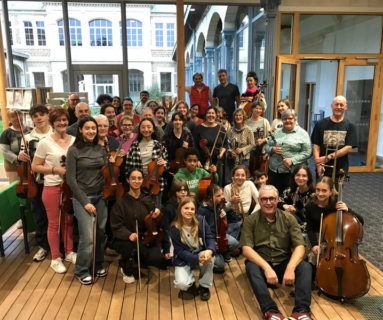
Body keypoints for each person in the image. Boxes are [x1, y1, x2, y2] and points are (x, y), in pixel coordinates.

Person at [240, 185, 313, 320]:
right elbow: (246, 249)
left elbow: (300, 246)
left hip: (283, 262)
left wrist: (291, 268)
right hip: (262, 263)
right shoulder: (250, 220)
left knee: (305, 267)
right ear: (259, 200)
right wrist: (267, 268)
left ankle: (302, 311)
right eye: (264, 199)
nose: (268, 202)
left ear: (277, 199)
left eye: (272, 199)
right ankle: (271, 312)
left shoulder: (289, 218)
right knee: (251, 266)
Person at [66, 116, 110, 284]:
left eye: (94, 128)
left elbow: (103, 173)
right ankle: (81, 270)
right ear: (80, 130)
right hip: (82, 198)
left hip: (100, 197)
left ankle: (97, 264)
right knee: (88, 238)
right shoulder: (73, 150)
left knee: (100, 234)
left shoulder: (101, 149)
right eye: (88, 128)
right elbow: (71, 179)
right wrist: (85, 202)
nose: (92, 131)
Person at [32, 107, 76, 274]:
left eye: (64, 119)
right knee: (54, 224)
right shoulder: (45, 142)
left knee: (68, 221)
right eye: (58, 120)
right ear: (53, 123)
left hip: (70, 187)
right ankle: (56, 257)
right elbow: (35, 166)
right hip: (52, 187)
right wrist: (55, 170)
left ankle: (70, 252)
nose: (62, 123)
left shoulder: (73, 140)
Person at [110, 168, 167, 284]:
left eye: (139, 178)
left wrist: (157, 211)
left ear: (143, 180)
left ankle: (135, 258)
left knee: (155, 258)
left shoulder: (147, 198)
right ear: (128, 180)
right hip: (127, 239)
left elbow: (155, 213)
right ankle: (126, 267)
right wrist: (128, 234)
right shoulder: (120, 202)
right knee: (129, 248)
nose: (136, 181)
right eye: (133, 178)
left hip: (144, 237)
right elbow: (116, 226)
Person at [17, 105, 53, 262]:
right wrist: (21, 156)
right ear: (32, 119)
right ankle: (44, 246)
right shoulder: (27, 137)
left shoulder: (56, 134)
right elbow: (22, 158)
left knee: (57, 215)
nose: (39, 118)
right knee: (39, 214)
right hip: (35, 181)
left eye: (42, 114)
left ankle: (59, 245)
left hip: (54, 180)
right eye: (35, 115)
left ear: (47, 116)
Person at [305, 176, 364, 268]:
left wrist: (348, 210)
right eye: (318, 190)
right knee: (312, 260)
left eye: (324, 190)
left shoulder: (336, 205)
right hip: (316, 238)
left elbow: (361, 221)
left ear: (331, 191)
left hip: (334, 239)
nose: (320, 193)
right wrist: (314, 245)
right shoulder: (310, 206)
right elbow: (310, 228)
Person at [167, 197, 216, 301]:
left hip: (199, 252)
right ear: (180, 209)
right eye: (186, 208)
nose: (189, 211)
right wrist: (197, 259)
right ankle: (190, 280)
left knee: (210, 258)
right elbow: (180, 251)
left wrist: (210, 250)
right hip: (183, 259)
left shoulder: (201, 221)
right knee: (182, 284)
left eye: (192, 209)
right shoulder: (173, 229)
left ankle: (204, 286)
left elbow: (209, 237)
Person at [265, 109, 312, 195]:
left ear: (295, 119)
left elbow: (307, 152)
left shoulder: (303, 134)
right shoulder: (276, 132)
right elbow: (267, 147)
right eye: (285, 119)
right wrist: (272, 149)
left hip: (292, 171)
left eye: (290, 118)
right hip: (275, 170)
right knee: (275, 194)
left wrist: (292, 160)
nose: (287, 121)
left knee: (291, 194)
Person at [311, 95, 358, 179]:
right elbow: (316, 146)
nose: (338, 107)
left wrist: (328, 157)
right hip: (322, 166)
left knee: (337, 191)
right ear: (331, 106)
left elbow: (348, 148)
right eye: (336, 104)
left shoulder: (350, 126)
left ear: (346, 107)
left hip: (340, 168)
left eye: (341, 105)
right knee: (321, 191)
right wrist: (318, 165)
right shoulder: (320, 123)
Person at [126, 118, 169, 208]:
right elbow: (128, 166)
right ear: (140, 130)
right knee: (139, 207)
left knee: (155, 209)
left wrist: (163, 163)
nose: (146, 130)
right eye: (143, 127)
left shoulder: (159, 146)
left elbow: (167, 166)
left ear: (153, 129)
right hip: (138, 180)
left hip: (155, 181)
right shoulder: (134, 146)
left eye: (149, 127)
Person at [197, 184, 238, 273]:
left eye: (222, 194)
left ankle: (222, 254)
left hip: (219, 234)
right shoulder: (202, 210)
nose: (222, 197)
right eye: (218, 196)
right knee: (220, 267)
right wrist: (210, 243)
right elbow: (201, 232)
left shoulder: (220, 205)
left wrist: (223, 217)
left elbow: (224, 224)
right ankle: (213, 256)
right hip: (208, 238)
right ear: (210, 197)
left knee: (234, 243)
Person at [223, 165, 260, 240]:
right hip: (232, 217)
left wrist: (250, 217)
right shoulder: (227, 188)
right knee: (229, 241)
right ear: (233, 176)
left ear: (246, 177)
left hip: (247, 216)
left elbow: (260, 202)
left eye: (243, 175)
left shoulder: (250, 184)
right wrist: (231, 201)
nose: (240, 177)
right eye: (237, 175)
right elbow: (224, 209)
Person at [0, 109, 32, 183]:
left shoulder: (30, 130)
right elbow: (5, 151)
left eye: (19, 115)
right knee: (16, 190)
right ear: (9, 119)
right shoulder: (6, 133)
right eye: (13, 116)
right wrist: (17, 158)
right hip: (14, 169)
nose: (17, 118)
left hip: (30, 167)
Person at [192, 106, 227, 171]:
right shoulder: (198, 128)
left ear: (216, 115)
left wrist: (222, 152)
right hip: (201, 163)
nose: (211, 115)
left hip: (217, 162)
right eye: (209, 113)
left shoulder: (221, 129)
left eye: (213, 113)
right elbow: (194, 146)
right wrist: (196, 160)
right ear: (205, 115)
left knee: (217, 180)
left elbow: (225, 144)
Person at [225, 109, 255, 185]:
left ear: (243, 117)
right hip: (232, 159)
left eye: (240, 115)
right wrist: (231, 152)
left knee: (242, 181)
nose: (238, 117)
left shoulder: (248, 130)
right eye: (236, 115)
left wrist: (242, 150)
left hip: (243, 159)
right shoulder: (230, 130)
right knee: (229, 181)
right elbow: (227, 145)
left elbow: (252, 144)